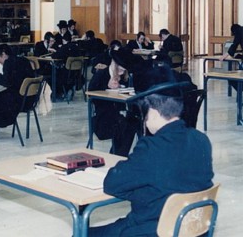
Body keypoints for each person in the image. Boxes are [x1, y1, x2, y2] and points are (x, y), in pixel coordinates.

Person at [89, 72, 214, 236]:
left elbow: (112, 184)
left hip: (151, 230)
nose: (145, 121)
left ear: (153, 112)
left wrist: (139, 192)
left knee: (82, 232)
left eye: (145, 115)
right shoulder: (201, 140)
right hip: (192, 229)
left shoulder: (152, 147)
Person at [87, 47, 142, 156]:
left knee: (136, 122)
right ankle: (117, 157)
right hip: (103, 117)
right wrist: (106, 87)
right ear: (114, 65)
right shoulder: (102, 74)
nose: (121, 73)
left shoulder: (124, 78)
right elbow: (90, 94)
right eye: (120, 70)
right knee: (122, 125)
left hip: (120, 114)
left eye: (123, 71)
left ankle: (119, 156)